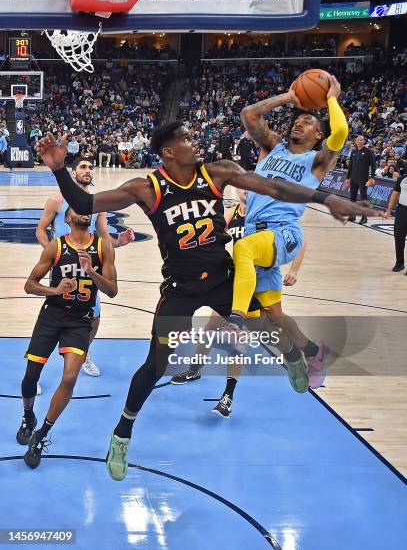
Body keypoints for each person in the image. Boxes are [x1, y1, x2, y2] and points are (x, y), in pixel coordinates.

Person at [36, 122, 381, 481]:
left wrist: (325, 198)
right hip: (180, 288)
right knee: (156, 365)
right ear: (169, 151)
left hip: (221, 277)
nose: (194, 141)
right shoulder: (147, 188)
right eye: (185, 139)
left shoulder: (218, 171)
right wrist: (60, 168)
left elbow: (274, 186)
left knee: (267, 321)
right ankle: (122, 433)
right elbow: (84, 202)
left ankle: (296, 356)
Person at [227, 76, 349, 390]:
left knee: (243, 250)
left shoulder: (317, 161)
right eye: (299, 120)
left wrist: (331, 98)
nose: (300, 123)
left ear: (318, 134)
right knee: (271, 318)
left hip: (283, 233)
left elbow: (342, 132)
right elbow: (249, 116)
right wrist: (287, 97)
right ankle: (305, 352)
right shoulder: (274, 147)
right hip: (256, 232)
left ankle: (235, 320)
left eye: (308, 122)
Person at [171, 187, 310, 419]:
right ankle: (197, 371)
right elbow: (215, 238)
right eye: (242, 188)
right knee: (213, 329)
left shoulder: (266, 211)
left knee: (266, 330)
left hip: (263, 281)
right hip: (238, 282)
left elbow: (299, 239)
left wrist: (295, 269)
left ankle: (289, 357)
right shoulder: (233, 212)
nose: (246, 191)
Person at [18, 207, 118, 468]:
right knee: (31, 376)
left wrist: (92, 272)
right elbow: (29, 285)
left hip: (80, 320)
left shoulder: (104, 247)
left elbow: (113, 291)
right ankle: (29, 416)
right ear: (67, 218)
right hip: (51, 316)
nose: (83, 213)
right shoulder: (56, 247)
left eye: (87, 210)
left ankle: (41, 435)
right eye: (77, 209)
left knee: (71, 377)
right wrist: (54, 289)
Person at [35, 157, 134, 376]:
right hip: (62, 267)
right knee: (52, 317)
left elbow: (105, 237)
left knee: (95, 316)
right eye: (83, 167)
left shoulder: (97, 205)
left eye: (90, 167)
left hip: (88, 266)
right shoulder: (57, 200)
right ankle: (37, 367)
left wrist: (121, 241)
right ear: (73, 173)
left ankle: (83, 352)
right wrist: (52, 253)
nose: (88, 170)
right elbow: (41, 229)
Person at [344, 135, 376, 225]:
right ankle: (352, 215)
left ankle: (364, 217)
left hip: (363, 178)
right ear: (356, 141)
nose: (359, 141)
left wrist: (372, 177)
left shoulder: (369, 151)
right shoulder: (353, 152)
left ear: (364, 141)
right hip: (354, 177)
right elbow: (350, 166)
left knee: (363, 198)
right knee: (352, 197)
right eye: (358, 140)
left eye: (361, 140)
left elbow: (373, 165)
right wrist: (347, 178)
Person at [385, 171, 407, 272]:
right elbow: (394, 195)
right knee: (398, 236)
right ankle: (399, 262)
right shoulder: (402, 179)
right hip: (402, 210)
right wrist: (388, 210)